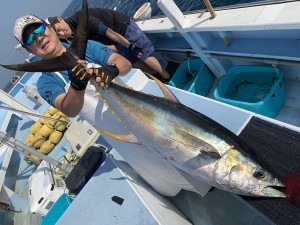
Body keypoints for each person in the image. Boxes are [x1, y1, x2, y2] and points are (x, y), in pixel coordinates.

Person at [12, 14, 208, 198]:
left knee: (189, 154)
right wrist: (77, 85)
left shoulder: (86, 47)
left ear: (50, 28)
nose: (38, 38)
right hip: (122, 138)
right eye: (30, 39)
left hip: (148, 117)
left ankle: (206, 183)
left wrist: (111, 69)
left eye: (38, 29)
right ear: (29, 50)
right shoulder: (46, 82)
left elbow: (124, 63)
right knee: (162, 176)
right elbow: (69, 109)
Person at [46, 8, 171, 82]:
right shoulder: (71, 36)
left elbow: (110, 33)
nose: (62, 33)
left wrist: (129, 46)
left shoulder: (83, 19)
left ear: (60, 19)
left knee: (142, 54)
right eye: (59, 34)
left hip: (122, 29)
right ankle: (155, 76)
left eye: (60, 29)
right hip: (113, 42)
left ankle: (166, 76)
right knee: (132, 61)